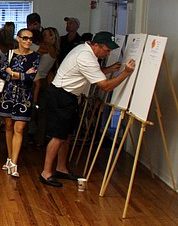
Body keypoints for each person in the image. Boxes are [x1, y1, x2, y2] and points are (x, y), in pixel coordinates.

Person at [39, 31, 136, 188]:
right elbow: (105, 86)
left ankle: (61, 168)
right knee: (58, 136)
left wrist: (109, 69)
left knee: (66, 135)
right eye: (106, 49)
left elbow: (90, 74)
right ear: (96, 45)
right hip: (61, 96)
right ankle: (46, 173)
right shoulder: (86, 56)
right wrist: (126, 73)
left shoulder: (85, 50)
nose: (108, 53)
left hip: (67, 96)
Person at [0, 29, 40, 178]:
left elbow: (31, 77)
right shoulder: (9, 54)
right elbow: (2, 72)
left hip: (24, 96)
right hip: (8, 94)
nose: (28, 41)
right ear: (18, 38)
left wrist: (13, 73)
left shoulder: (35, 56)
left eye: (31, 39)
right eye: (25, 38)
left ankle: (14, 162)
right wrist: (19, 75)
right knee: (8, 126)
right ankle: (9, 158)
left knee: (20, 128)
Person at [33, 26, 60, 147]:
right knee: (42, 112)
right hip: (42, 80)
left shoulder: (44, 48)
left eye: (46, 35)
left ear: (52, 37)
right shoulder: (55, 51)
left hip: (37, 80)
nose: (43, 37)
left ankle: (31, 139)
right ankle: (39, 139)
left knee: (33, 110)